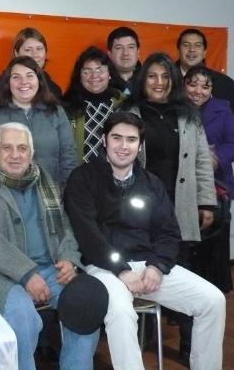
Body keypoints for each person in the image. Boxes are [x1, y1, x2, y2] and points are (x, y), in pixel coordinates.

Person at [64, 112, 226, 370]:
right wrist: (121, 270)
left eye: (131, 140)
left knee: (213, 300)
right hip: (103, 268)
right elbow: (88, 236)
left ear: (140, 146)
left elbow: (169, 233)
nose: (123, 146)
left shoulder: (151, 183)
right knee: (121, 311)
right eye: (116, 138)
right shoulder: (82, 178)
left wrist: (157, 266)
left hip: (147, 266)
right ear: (104, 140)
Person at [0, 122, 99, 370]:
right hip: (4, 275)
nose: (15, 155)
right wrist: (27, 274)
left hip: (52, 269)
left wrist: (68, 258)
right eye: (7, 148)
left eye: (22, 148)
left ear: (31, 153)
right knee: (22, 317)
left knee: (86, 307)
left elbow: (65, 226)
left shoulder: (44, 180)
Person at [126, 52, 217, 362]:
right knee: (143, 273)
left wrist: (206, 202)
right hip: (140, 211)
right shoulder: (130, 111)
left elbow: (202, 160)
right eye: (152, 76)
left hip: (181, 208)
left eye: (165, 76)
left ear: (174, 81)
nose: (159, 82)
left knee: (185, 273)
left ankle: (190, 344)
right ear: (143, 80)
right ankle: (144, 339)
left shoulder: (188, 114)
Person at [0, 56, 77, 189]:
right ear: (8, 83)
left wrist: (70, 193)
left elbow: (69, 158)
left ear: (39, 80)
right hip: (4, 195)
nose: (23, 82)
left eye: (30, 76)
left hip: (50, 193)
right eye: (16, 77)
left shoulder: (56, 113)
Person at [183, 65, 234, 293]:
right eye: (193, 84)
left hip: (217, 184)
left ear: (212, 89)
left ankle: (215, 290)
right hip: (184, 185)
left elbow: (232, 142)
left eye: (205, 86)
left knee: (215, 242)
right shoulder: (176, 108)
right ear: (183, 85)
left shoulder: (223, 108)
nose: (198, 91)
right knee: (188, 241)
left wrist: (216, 159)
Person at [63, 46, 125, 163]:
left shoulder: (124, 104)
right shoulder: (67, 107)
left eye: (99, 70)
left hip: (116, 171)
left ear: (110, 74)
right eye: (87, 72)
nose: (94, 76)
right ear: (80, 77)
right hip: (79, 172)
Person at [0, 27, 62, 104]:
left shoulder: (54, 89)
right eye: (28, 50)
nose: (35, 55)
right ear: (16, 53)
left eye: (39, 49)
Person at [176, 28, 234, 113]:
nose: (192, 49)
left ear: (204, 52)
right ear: (178, 51)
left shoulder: (225, 84)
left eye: (197, 45)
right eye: (186, 45)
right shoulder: (165, 80)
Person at [107, 26, 141, 96]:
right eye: (119, 48)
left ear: (138, 52)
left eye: (131, 47)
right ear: (109, 54)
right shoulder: (98, 82)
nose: (125, 53)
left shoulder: (149, 80)